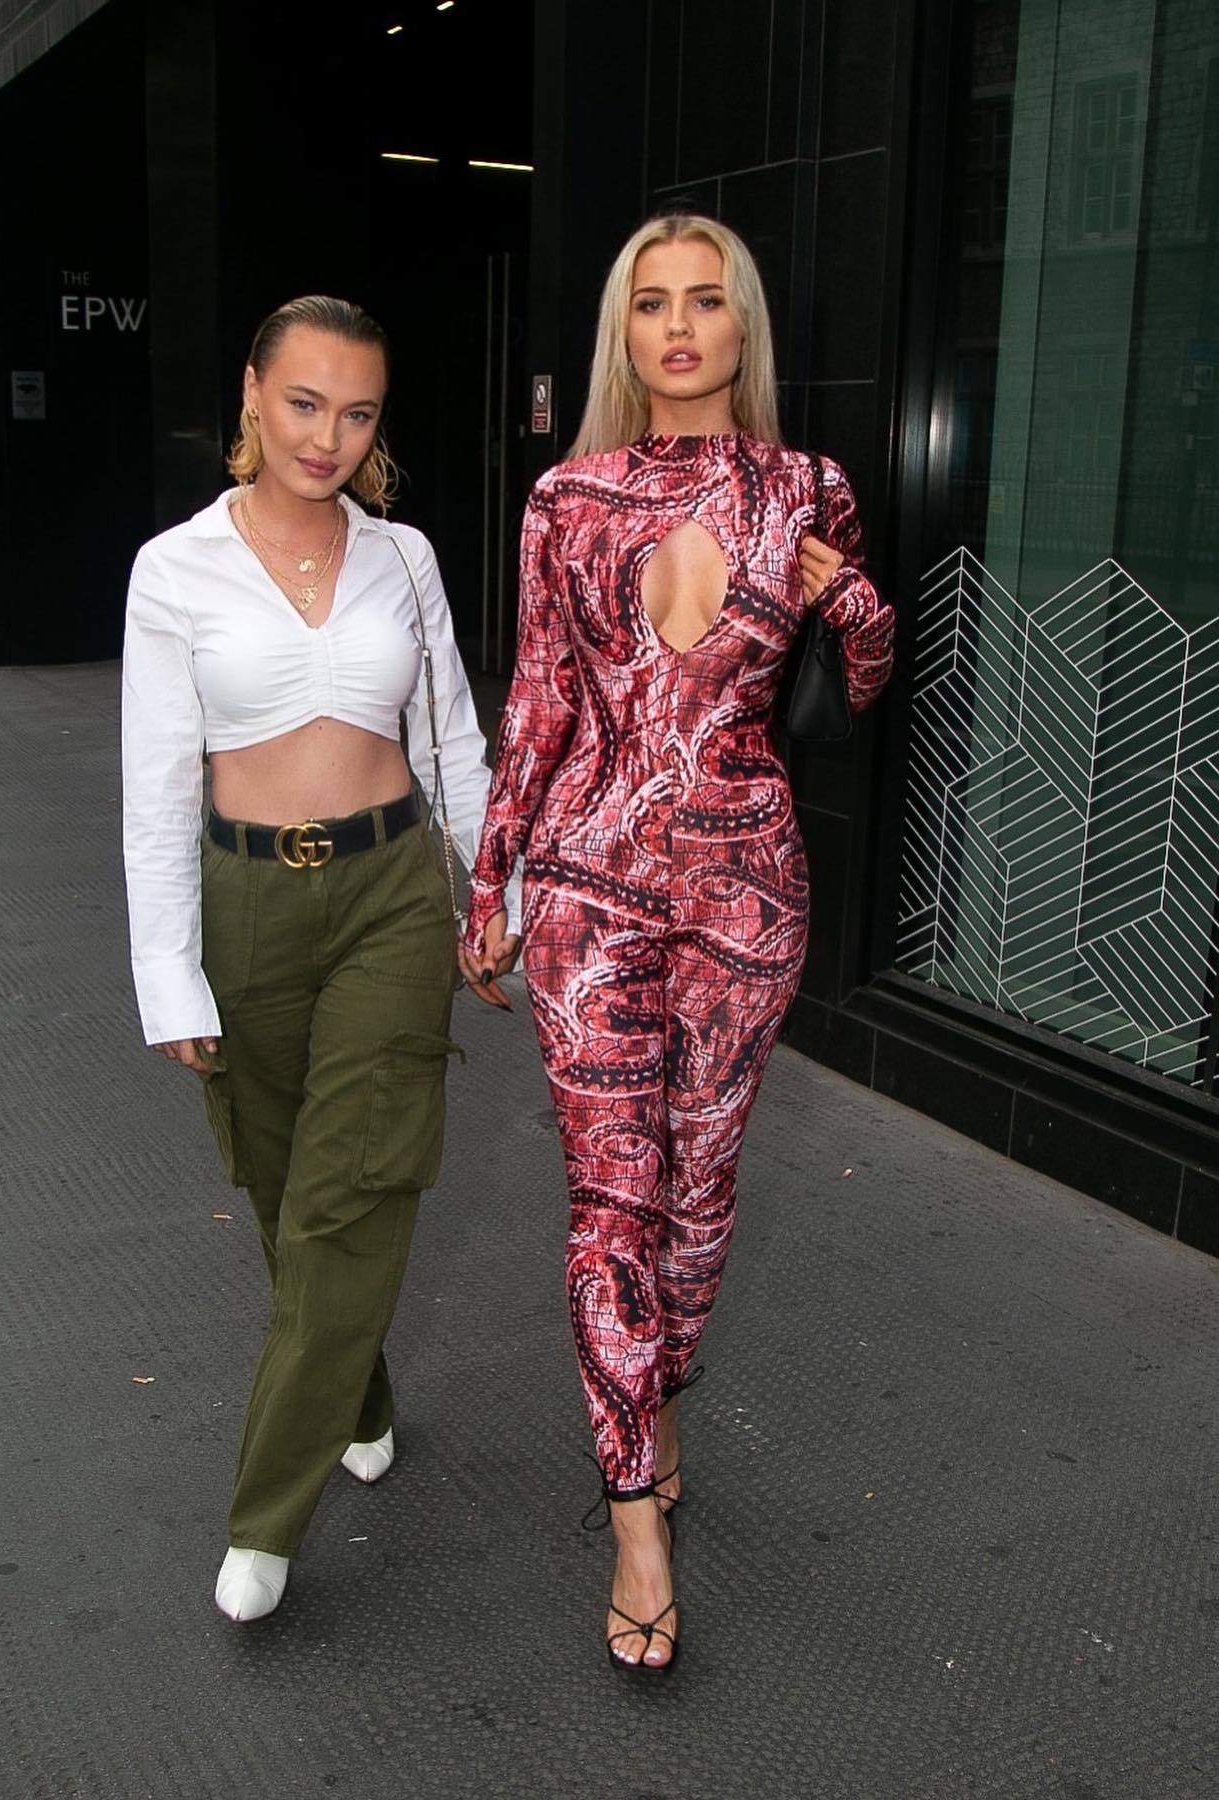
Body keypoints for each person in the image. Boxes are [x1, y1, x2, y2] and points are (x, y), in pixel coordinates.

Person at [460, 215, 895, 1673]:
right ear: (624, 333)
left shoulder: (806, 488)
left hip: (745, 892)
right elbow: (538, 698)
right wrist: (491, 877)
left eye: (707, 301)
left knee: (697, 1206)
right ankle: (634, 1512)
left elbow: (863, 681)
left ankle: (656, 1391)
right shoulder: (565, 498)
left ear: (740, 325)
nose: (681, 327)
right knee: (612, 1206)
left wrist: (851, 598)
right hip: (590, 882)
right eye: (652, 304)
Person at [121, 295, 519, 1624]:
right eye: (303, 403)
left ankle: (265, 1519)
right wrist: (168, 974)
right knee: (284, 1181)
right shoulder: (175, 568)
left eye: (356, 413)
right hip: (245, 905)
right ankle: (356, 1387)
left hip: (392, 893)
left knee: (354, 1186)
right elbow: (154, 790)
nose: (326, 437)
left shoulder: (404, 556)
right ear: (252, 392)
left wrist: (493, 895)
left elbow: (452, 740)